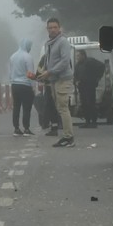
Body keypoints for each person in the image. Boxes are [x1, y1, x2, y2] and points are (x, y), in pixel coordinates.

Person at [34, 17, 75, 147]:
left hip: (62, 79)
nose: (52, 30)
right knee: (59, 108)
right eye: (50, 27)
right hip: (53, 80)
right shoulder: (50, 43)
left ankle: (69, 137)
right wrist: (42, 74)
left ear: (59, 28)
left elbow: (64, 61)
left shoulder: (63, 42)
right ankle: (67, 136)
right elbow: (47, 61)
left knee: (63, 108)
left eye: (55, 27)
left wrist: (49, 72)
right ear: (47, 29)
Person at [8, 38, 36, 135]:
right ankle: (26, 129)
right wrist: (33, 86)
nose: (30, 48)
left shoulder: (13, 56)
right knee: (26, 108)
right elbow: (30, 74)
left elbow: (10, 72)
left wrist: (12, 82)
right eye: (30, 46)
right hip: (25, 85)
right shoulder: (27, 57)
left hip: (15, 85)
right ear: (27, 46)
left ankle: (16, 128)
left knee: (16, 107)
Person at [74, 48, 106, 128]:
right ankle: (87, 121)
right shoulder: (78, 65)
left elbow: (102, 66)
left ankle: (94, 122)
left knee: (91, 103)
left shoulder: (90, 61)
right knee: (84, 104)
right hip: (82, 87)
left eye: (78, 55)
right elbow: (76, 75)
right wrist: (76, 81)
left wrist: (97, 77)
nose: (77, 57)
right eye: (76, 56)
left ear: (83, 55)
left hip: (90, 86)